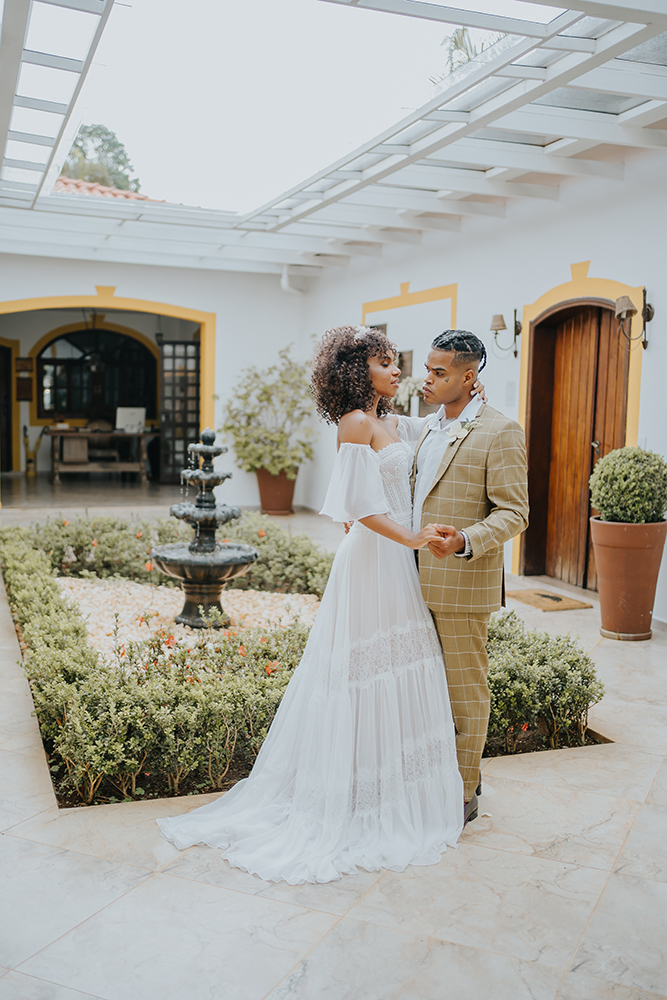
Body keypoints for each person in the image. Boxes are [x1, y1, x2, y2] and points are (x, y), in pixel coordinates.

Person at [158, 325, 479, 884]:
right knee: (362, 672)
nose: (398, 370)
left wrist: (462, 394)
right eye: (386, 363)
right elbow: (356, 507)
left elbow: (439, 431)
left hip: (397, 560)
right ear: (360, 371)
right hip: (375, 559)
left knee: (399, 663)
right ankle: (350, 799)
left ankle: (387, 788)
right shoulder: (356, 423)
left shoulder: (387, 420)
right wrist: (412, 537)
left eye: (397, 362)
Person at [400, 330, 529, 825]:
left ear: (468, 376)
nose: (427, 380)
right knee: (422, 688)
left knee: (464, 690)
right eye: (428, 370)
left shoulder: (501, 431)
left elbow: (515, 512)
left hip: (459, 582)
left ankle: (464, 790)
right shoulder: (430, 426)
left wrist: (465, 541)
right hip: (410, 579)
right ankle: (429, 778)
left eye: (439, 373)